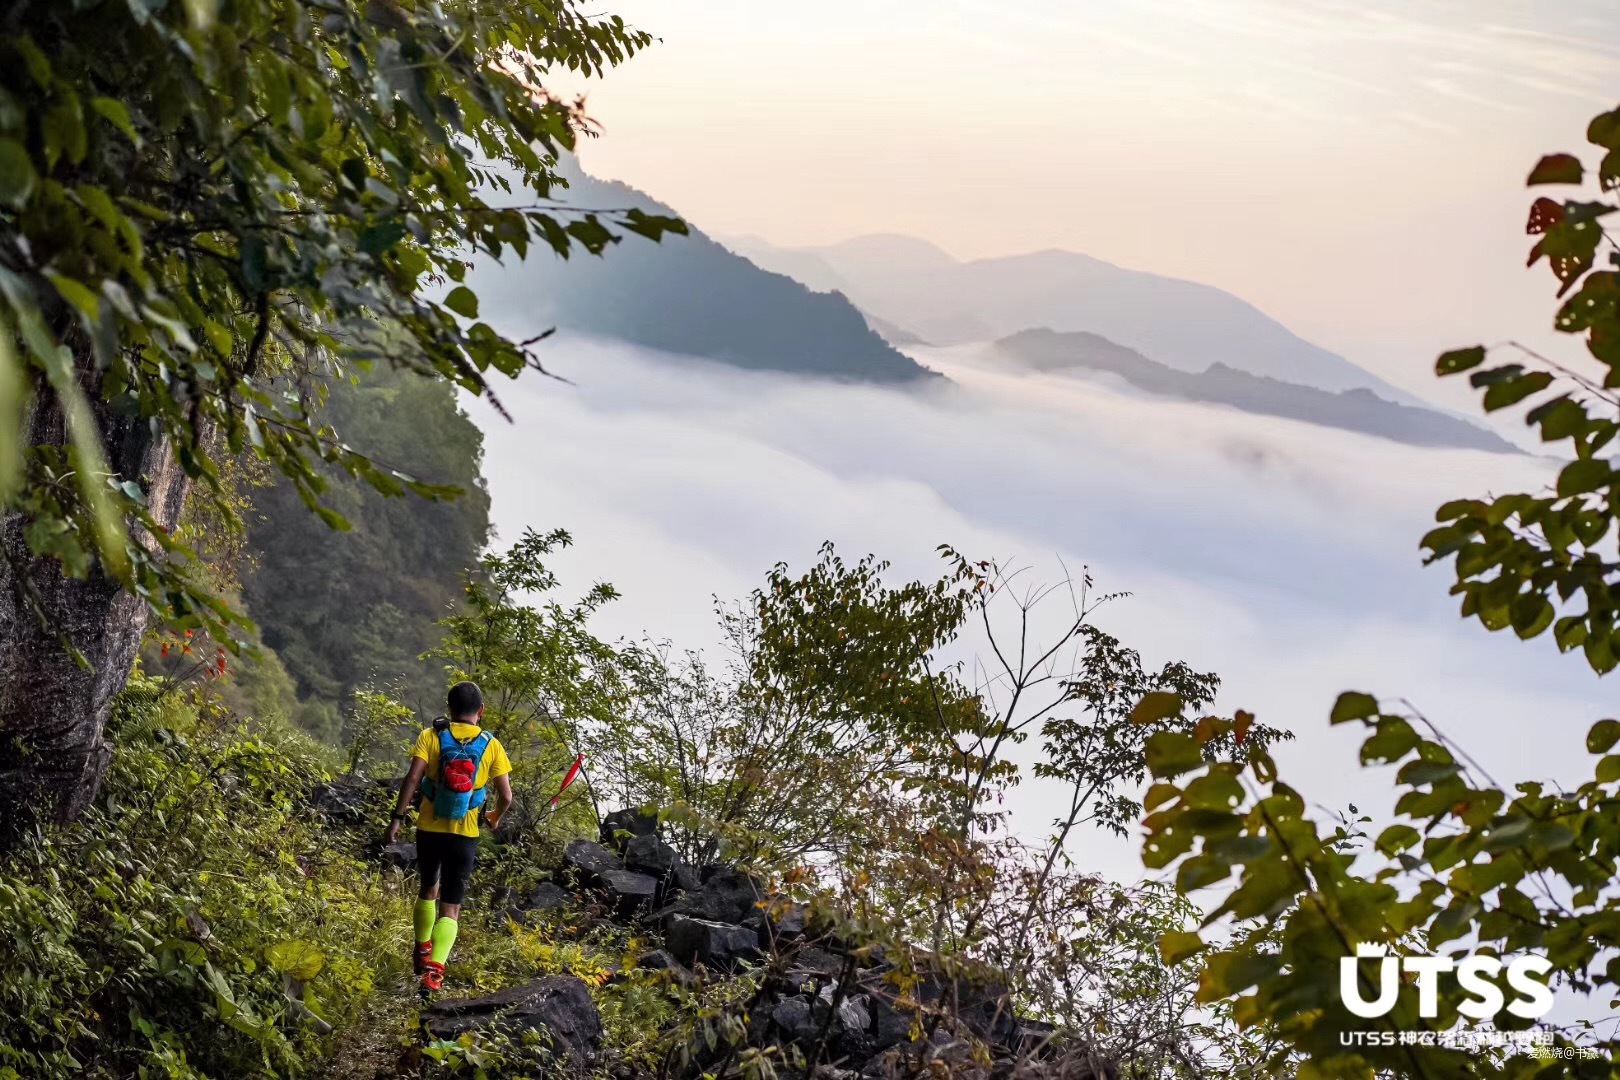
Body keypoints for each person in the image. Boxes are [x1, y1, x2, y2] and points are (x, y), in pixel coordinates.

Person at [385, 681, 513, 995]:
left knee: (428, 889)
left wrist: (397, 818)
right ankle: (434, 973)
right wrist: (493, 818)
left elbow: (413, 778)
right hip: (465, 835)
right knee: (451, 907)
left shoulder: (431, 736)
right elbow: (506, 796)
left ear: (450, 708)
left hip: (429, 829)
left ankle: (421, 948)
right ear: (480, 712)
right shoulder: (491, 744)